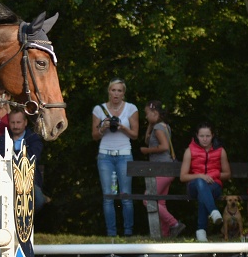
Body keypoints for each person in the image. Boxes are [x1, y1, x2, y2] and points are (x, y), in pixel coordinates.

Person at [0, 107, 45, 224]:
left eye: (18, 122)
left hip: (28, 181)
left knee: (39, 199)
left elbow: (32, 158)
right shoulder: (2, 139)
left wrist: (13, 156)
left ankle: (23, 224)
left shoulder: (33, 138)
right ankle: (6, 224)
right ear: (9, 123)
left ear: (25, 122)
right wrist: (19, 156)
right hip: (6, 180)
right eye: (13, 122)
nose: (15, 126)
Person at [92, 78, 138, 237]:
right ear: (109, 91)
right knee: (108, 196)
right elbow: (94, 136)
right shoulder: (99, 109)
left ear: (123, 93)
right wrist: (103, 128)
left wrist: (122, 127)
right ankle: (111, 233)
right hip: (105, 156)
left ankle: (128, 232)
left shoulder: (131, 108)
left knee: (126, 195)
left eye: (119, 91)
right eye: (113, 90)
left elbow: (135, 135)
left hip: (124, 155)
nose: (116, 94)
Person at [179, 123, 230, 242]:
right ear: (197, 135)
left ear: (212, 135)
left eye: (208, 136)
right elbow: (183, 177)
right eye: (202, 136)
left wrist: (212, 175)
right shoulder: (190, 151)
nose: (205, 139)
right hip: (194, 186)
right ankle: (213, 211)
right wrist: (201, 176)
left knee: (204, 194)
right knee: (200, 183)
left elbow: (227, 174)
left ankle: (201, 231)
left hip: (214, 185)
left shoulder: (220, 151)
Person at [140, 101, 184, 238]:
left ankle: (174, 224)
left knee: (147, 200)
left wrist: (147, 151)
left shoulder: (158, 128)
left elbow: (164, 146)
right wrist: (150, 125)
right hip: (168, 169)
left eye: (147, 114)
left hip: (162, 169)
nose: (146, 117)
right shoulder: (163, 126)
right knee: (160, 202)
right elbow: (147, 140)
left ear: (155, 113)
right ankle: (165, 235)